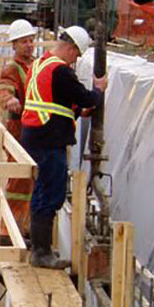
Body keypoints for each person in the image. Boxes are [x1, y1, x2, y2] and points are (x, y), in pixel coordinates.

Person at [21, 26, 108, 269]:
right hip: (49, 140)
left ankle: (40, 249)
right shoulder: (60, 70)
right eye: (76, 55)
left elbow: (53, 100)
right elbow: (86, 97)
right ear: (71, 49)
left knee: (41, 192)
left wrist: (78, 111)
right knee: (51, 193)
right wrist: (99, 89)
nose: (75, 61)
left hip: (35, 136)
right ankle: (42, 253)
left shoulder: (39, 65)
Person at [0, 19, 37, 238]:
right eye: (24, 42)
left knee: (31, 180)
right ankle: (8, 231)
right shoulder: (12, 68)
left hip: (35, 130)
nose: (29, 45)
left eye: (31, 41)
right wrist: (9, 99)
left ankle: (26, 227)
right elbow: (2, 91)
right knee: (19, 180)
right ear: (14, 45)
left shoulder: (36, 65)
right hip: (19, 130)